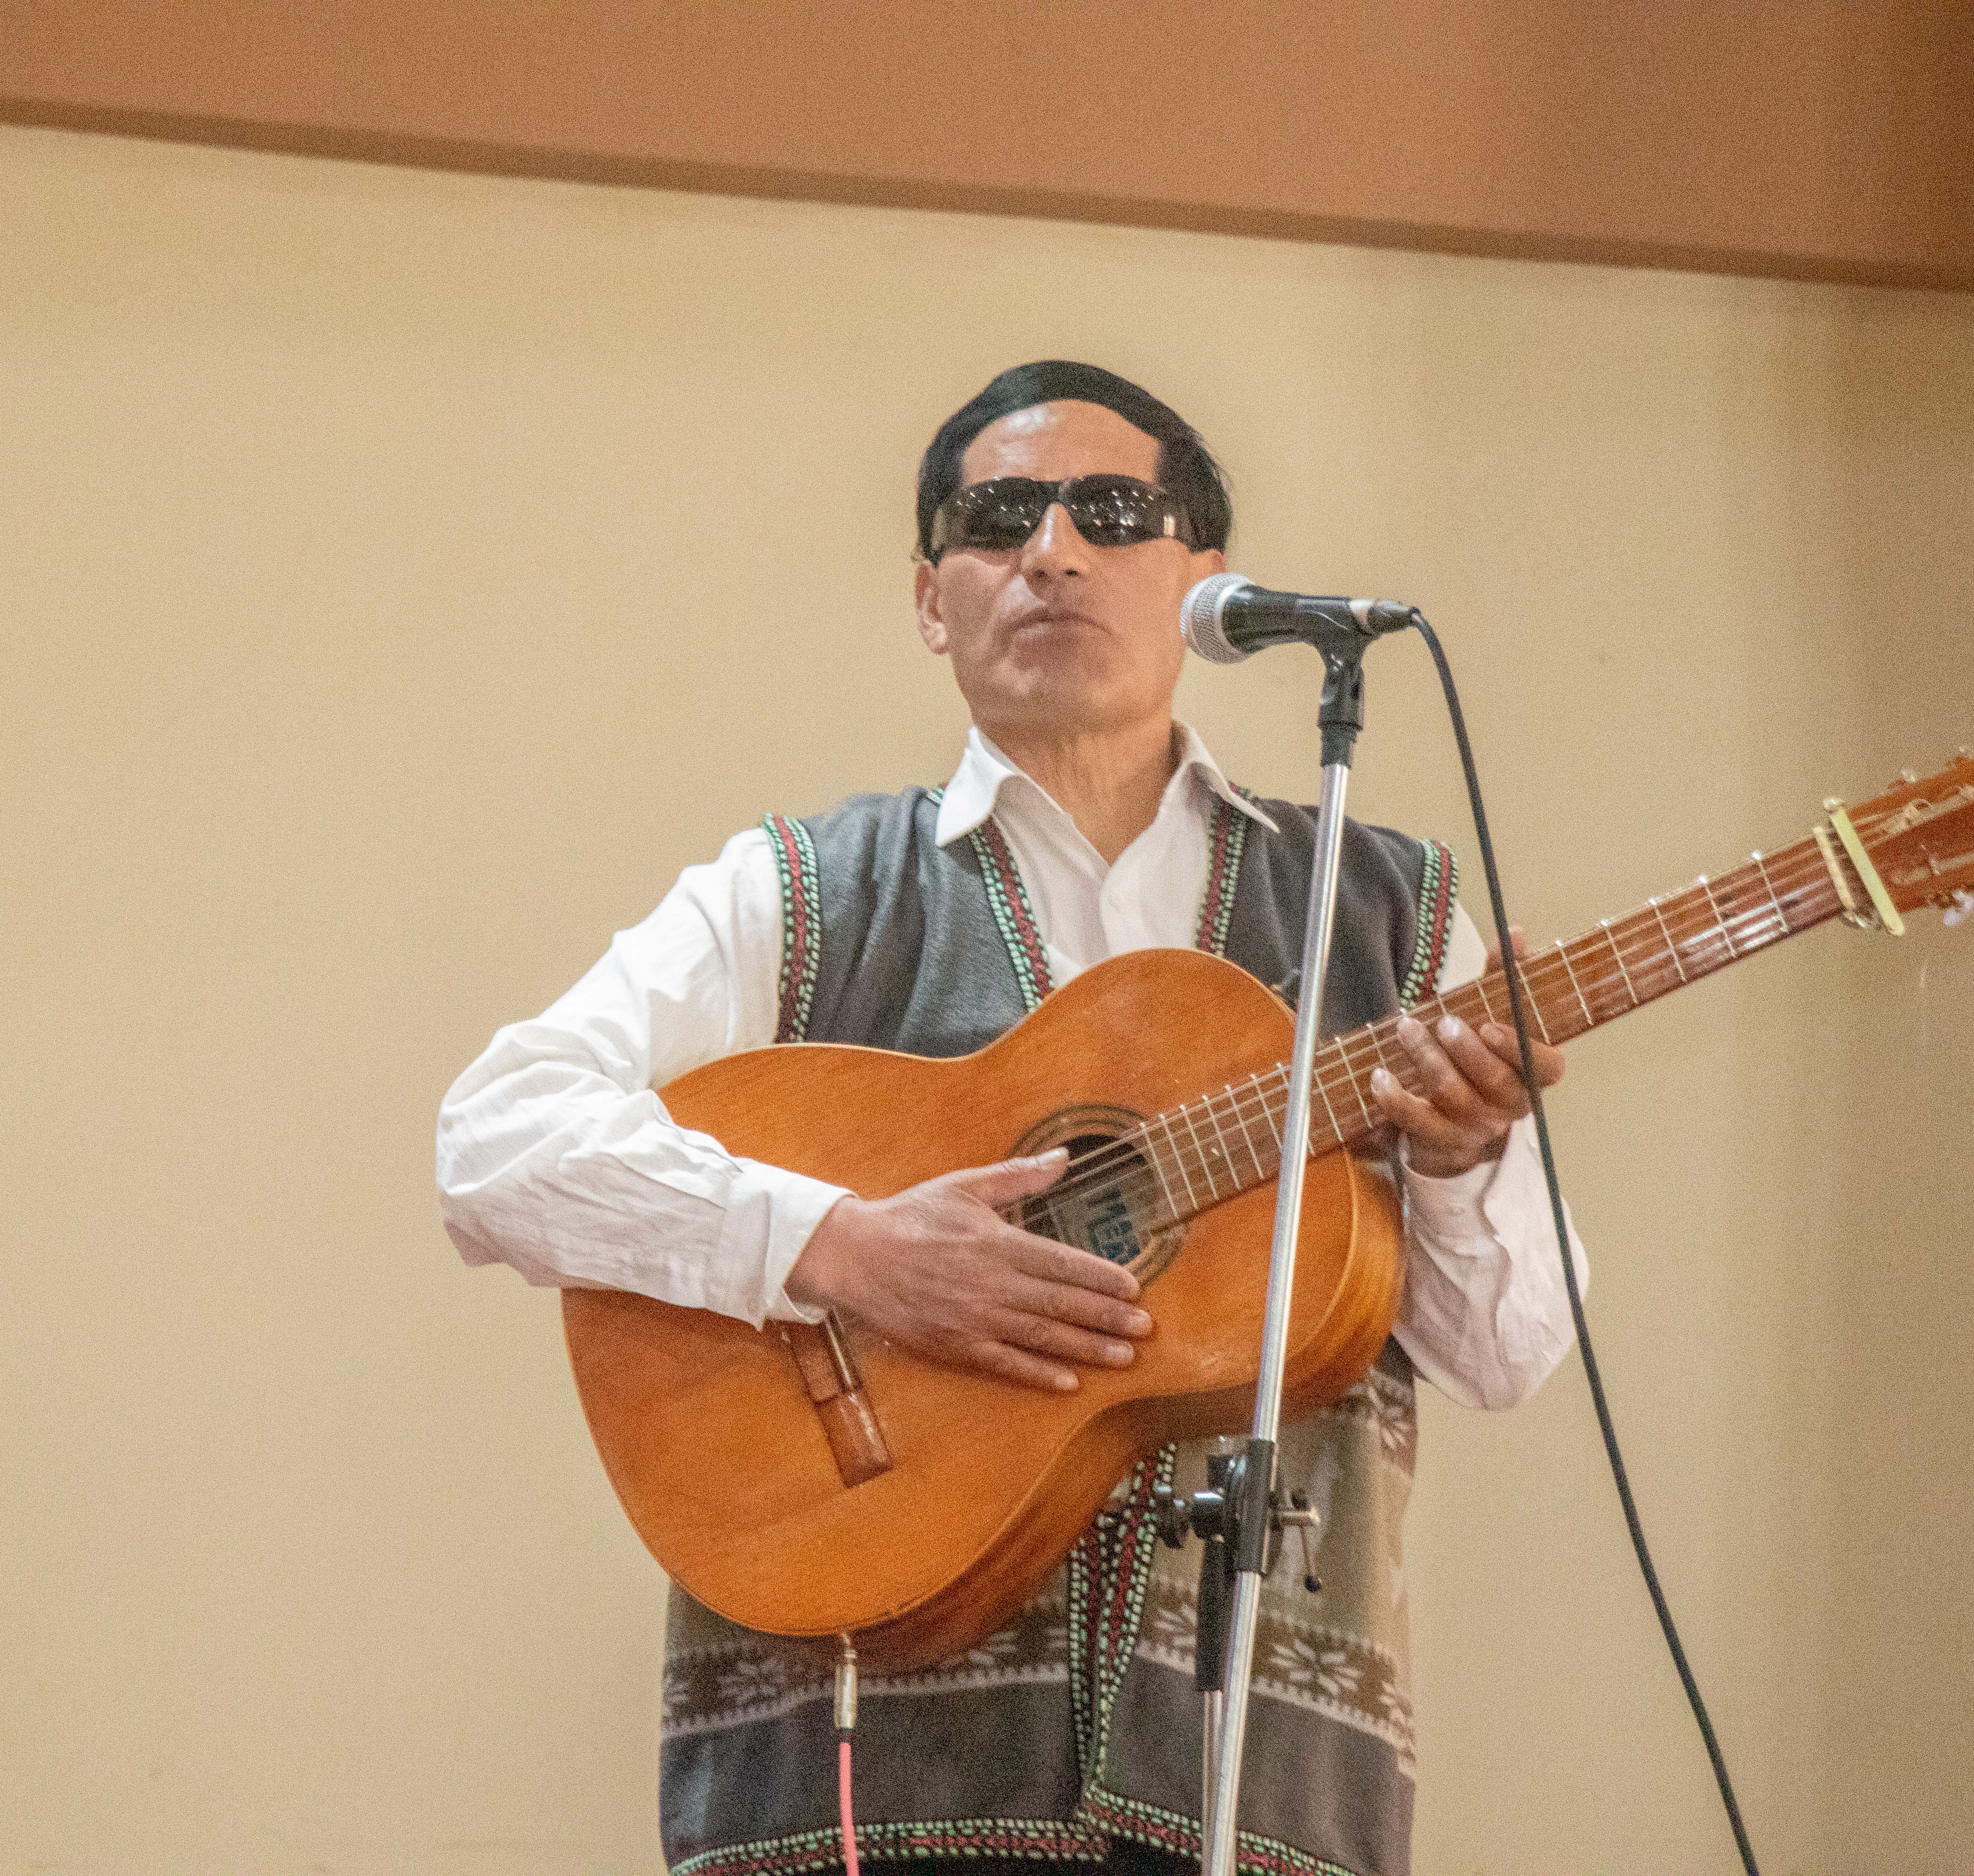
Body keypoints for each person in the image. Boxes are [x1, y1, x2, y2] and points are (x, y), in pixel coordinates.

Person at [436, 361, 1581, 1876]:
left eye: (1113, 511)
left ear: (1203, 584)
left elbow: (1507, 1355)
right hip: (865, 1771)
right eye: (998, 519)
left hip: (1256, 1799)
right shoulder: (804, 894)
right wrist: (836, 1248)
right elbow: (496, 1139)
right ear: (931, 597)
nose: (1053, 550)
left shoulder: (1390, 920)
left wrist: (1465, 1154)